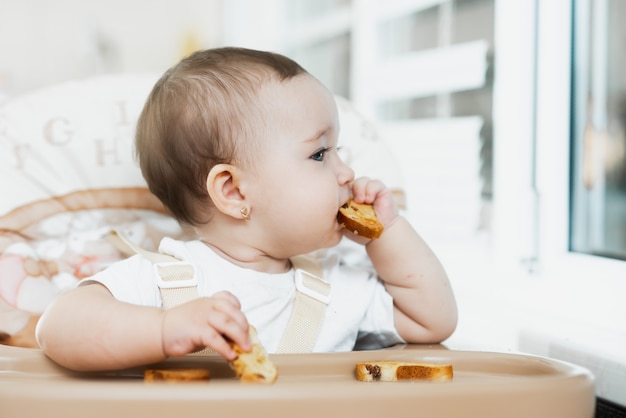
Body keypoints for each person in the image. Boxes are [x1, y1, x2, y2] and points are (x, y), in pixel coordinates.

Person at [35, 47, 457, 371]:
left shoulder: (336, 283)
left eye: (338, 151)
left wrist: (390, 230)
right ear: (234, 191)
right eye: (320, 154)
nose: (346, 173)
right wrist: (164, 330)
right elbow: (57, 328)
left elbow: (432, 321)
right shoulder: (169, 279)